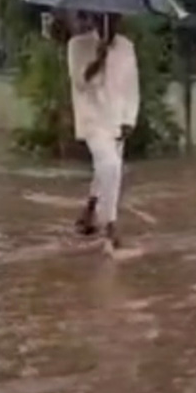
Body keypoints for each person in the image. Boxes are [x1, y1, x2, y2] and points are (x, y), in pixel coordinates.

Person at [67, 13, 139, 251]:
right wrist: (99, 59)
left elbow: (131, 85)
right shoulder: (77, 45)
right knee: (110, 166)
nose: (111, 23)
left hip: (117, 119)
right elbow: (80, 81)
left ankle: (90, 208)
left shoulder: (127, 47)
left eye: (116, 18)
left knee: (106, 169)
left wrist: (130, 118)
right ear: (95, 19)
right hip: (92, 119)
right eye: (104, 18)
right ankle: (111, 225)